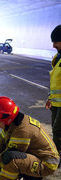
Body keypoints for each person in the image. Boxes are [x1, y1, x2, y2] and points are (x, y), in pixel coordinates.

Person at [0, 96, 60, 180]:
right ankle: (30, 179)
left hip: (47, 164)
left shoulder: (22, 131)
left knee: (10, 158)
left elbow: (5, 156)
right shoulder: (13, 124)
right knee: (9, 157)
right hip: (39, 157)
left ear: (6, 119)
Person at [45, 25, 61, 160]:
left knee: (58, 130)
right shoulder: (57, 58)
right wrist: (50, 97)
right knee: (55, 129)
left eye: (56, 41)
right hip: (56, 102)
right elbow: (55, 81)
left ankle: (57, 157)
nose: (53, 44)